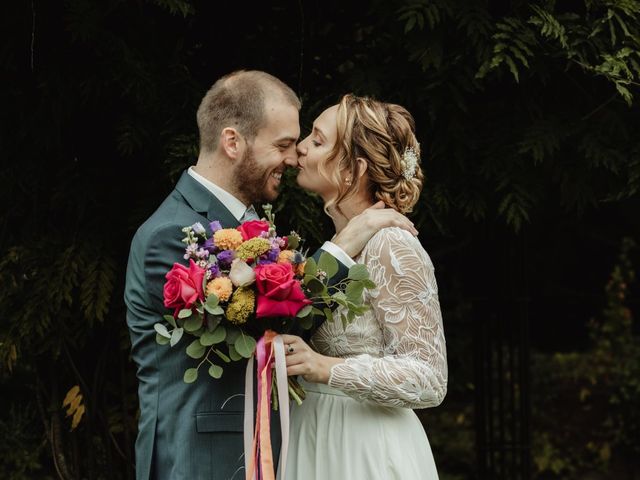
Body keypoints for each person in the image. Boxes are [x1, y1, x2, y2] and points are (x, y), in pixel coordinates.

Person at [124, 71, 417, 480]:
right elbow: (267, 328)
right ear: (232, 142)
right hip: (203, 460)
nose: (295, 158)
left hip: (279, 453)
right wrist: (343, 245)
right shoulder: (170, 235)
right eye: (282, 145)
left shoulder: (255, 226)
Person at [280, 94, 448, 480]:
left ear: (352, 169)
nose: (301, 148)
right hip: (314, 434)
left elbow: (429, 378)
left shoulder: (392, 244)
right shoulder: (335, 246)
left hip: (365, 447)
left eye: (317, 141)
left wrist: (325, 368)